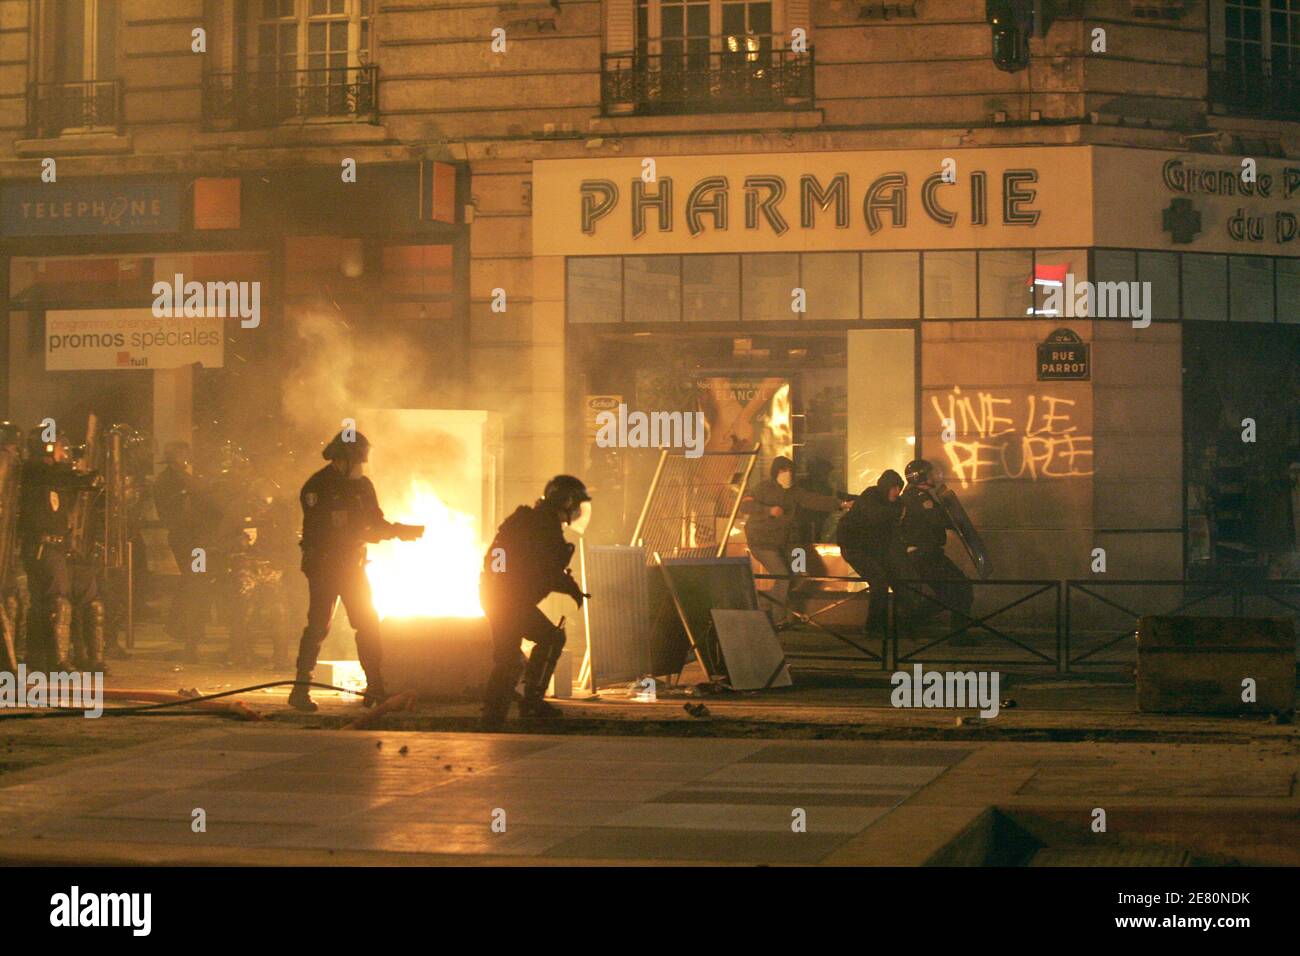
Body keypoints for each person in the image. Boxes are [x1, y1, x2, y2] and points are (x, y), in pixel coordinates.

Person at [290, 429, 423, 712]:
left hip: (352, 566)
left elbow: (375, 522)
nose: (361, 467)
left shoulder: (363, 486)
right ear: (342, 459)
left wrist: (397, 531)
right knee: (318, 626)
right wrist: (384, 532)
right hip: (325, 566)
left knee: (367, 623)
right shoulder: (317, 487)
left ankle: (374, 686)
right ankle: (301, 687)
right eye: (358, 461)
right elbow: (337, 531)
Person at [480, 475, 591, 731]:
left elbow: (546, 570)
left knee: (516, 653)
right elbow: (498, 553)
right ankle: (517, 709)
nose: (577, 512)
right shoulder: (531, 522)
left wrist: (570, 588)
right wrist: (502, 582)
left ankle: (499, 714)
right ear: (565, 502)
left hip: (507, 598)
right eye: (575, 505)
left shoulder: (543, 525)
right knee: (533, 647)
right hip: (505, 599)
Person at [16, 428, 105, 672]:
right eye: (58, 446)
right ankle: (56, 660)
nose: (63, 450)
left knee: (83, 598)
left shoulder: (56, 474)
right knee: (56, 601)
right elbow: (59, 475)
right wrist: (82, 476)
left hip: (62, 546)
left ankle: (85, 657)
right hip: (41, 546)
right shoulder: (34, 471)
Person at [742, 456, 849, 627]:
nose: (788, 474)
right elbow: (745, 505)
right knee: (783, 577)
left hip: (787, 543)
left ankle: (768, 605)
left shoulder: (795, 492)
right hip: (762, 542)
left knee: (799, 573)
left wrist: (840, 504)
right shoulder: (763, 488)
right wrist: (768, 510)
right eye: (784, 470)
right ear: (775, 472)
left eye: (790, 470)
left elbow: (814, 500)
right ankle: (778, 619)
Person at [154, 442, 221, 662]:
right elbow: (199, 500)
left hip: (191, 539)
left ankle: (183, 627)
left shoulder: (172, 479)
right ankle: (188, 632)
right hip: (192, 541)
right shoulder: (175, 480)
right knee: (196, 582)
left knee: (193, 582)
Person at [898, 459, 974, 630]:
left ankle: (910, 621)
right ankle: (957, 634)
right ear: (921, 477)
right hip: (926, 555)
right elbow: (939, 520)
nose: (935, 476)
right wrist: (954, 518)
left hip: (923, 554)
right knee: (962, 588)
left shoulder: (912, 496)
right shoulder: (921, 499)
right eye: (931, 473)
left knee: (949, 594)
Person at [837, 469, 905, 639]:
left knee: (893, 580)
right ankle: (874, 627)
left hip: (870, 548)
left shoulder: (891, 503)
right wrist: (898, 512)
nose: (897, 492)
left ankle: (890, 625)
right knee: (879, 581)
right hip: (854, 548)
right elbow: (876, 515)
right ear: (886, 487)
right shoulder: (871, 496)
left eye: (899, 489)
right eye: (894, 488)